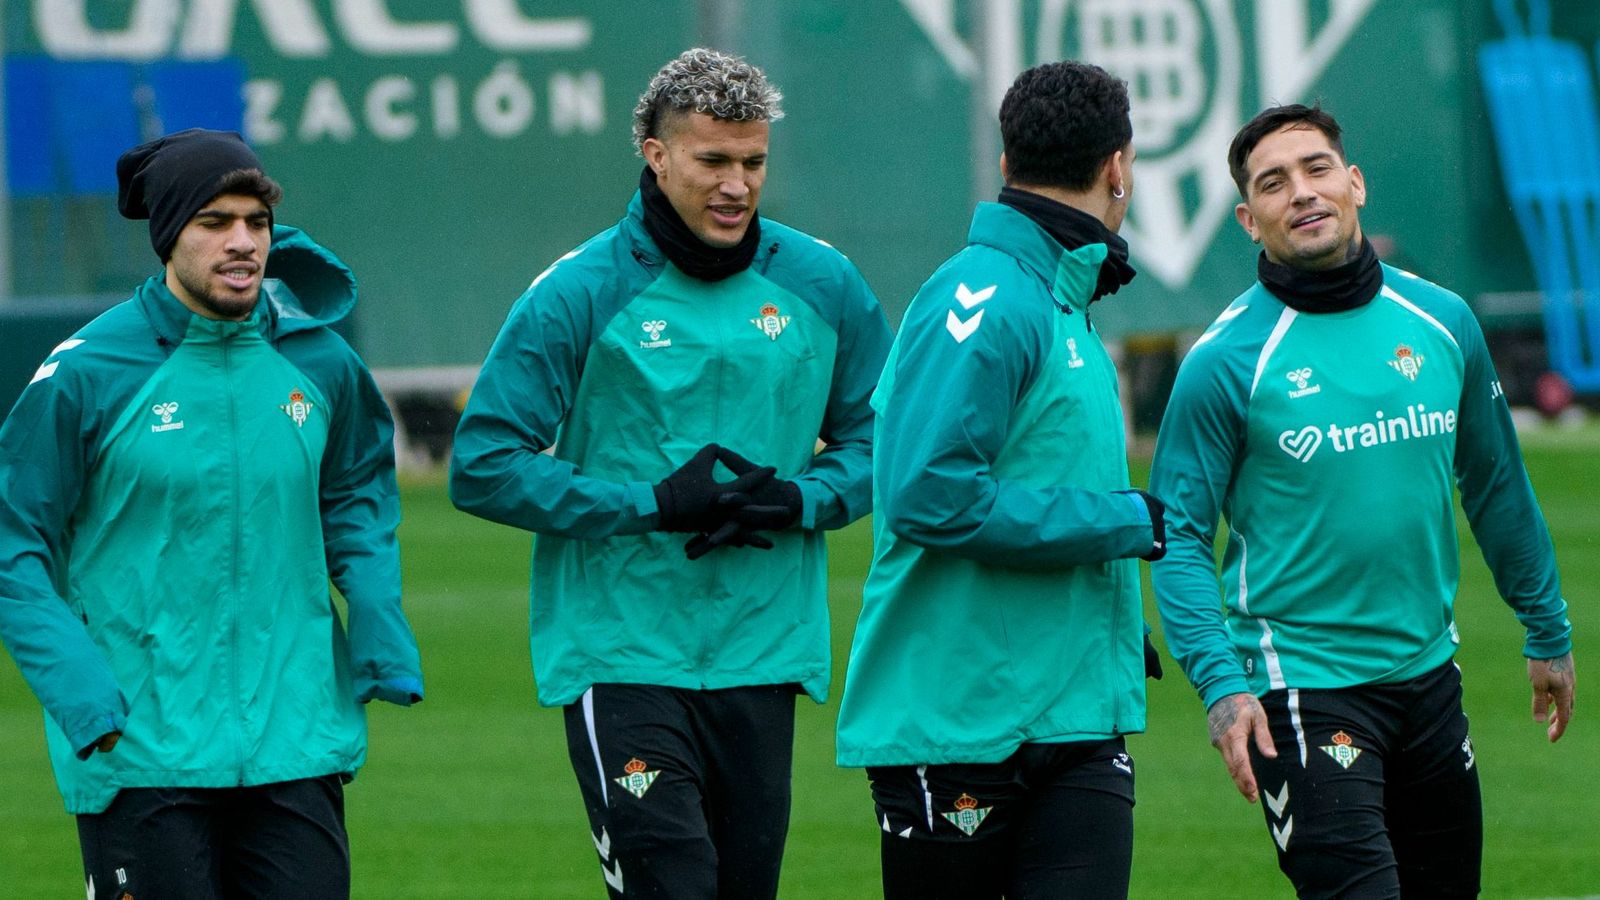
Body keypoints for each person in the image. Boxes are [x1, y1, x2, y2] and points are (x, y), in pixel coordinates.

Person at [449, 48, 891, 900]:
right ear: (656, 154)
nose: (737, 185)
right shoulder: (579, 290)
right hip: (623, 655)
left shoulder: (823, 283)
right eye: (712, 161)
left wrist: (804, 497)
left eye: (753, 162)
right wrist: (650, 505)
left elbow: (884, 440)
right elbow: (483, 464)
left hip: (762, 655)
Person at [1150, 103, 1575, 899]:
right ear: (1248, 219)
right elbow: (1175, 537)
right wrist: (1220, 683)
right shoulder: (1223, 363)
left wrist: (1547, 627)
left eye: (1316, 170)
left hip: (1430, 681)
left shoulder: (1443, 322)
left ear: (1355, 184)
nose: (1301, 193)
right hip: (1301, 692)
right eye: (1273, 184)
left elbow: (1496, 485)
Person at [0, 129, 424, 899]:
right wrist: (80, 686)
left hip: (296, 743)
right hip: (138, 746)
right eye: (214, 221)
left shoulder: (322, 363)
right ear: (168, 236)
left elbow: (356, 494)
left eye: (256, 222)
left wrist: (376, 616)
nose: (242, 242)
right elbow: (12, 542)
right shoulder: (85, 375)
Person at [834, 61, 1165, 900]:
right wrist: (1122, 522)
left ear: (1006, 159)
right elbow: (929, 495)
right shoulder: (986, 295)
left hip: (1079, 716)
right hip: (957, 724)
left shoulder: (1056, 297)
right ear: (1118, 166)